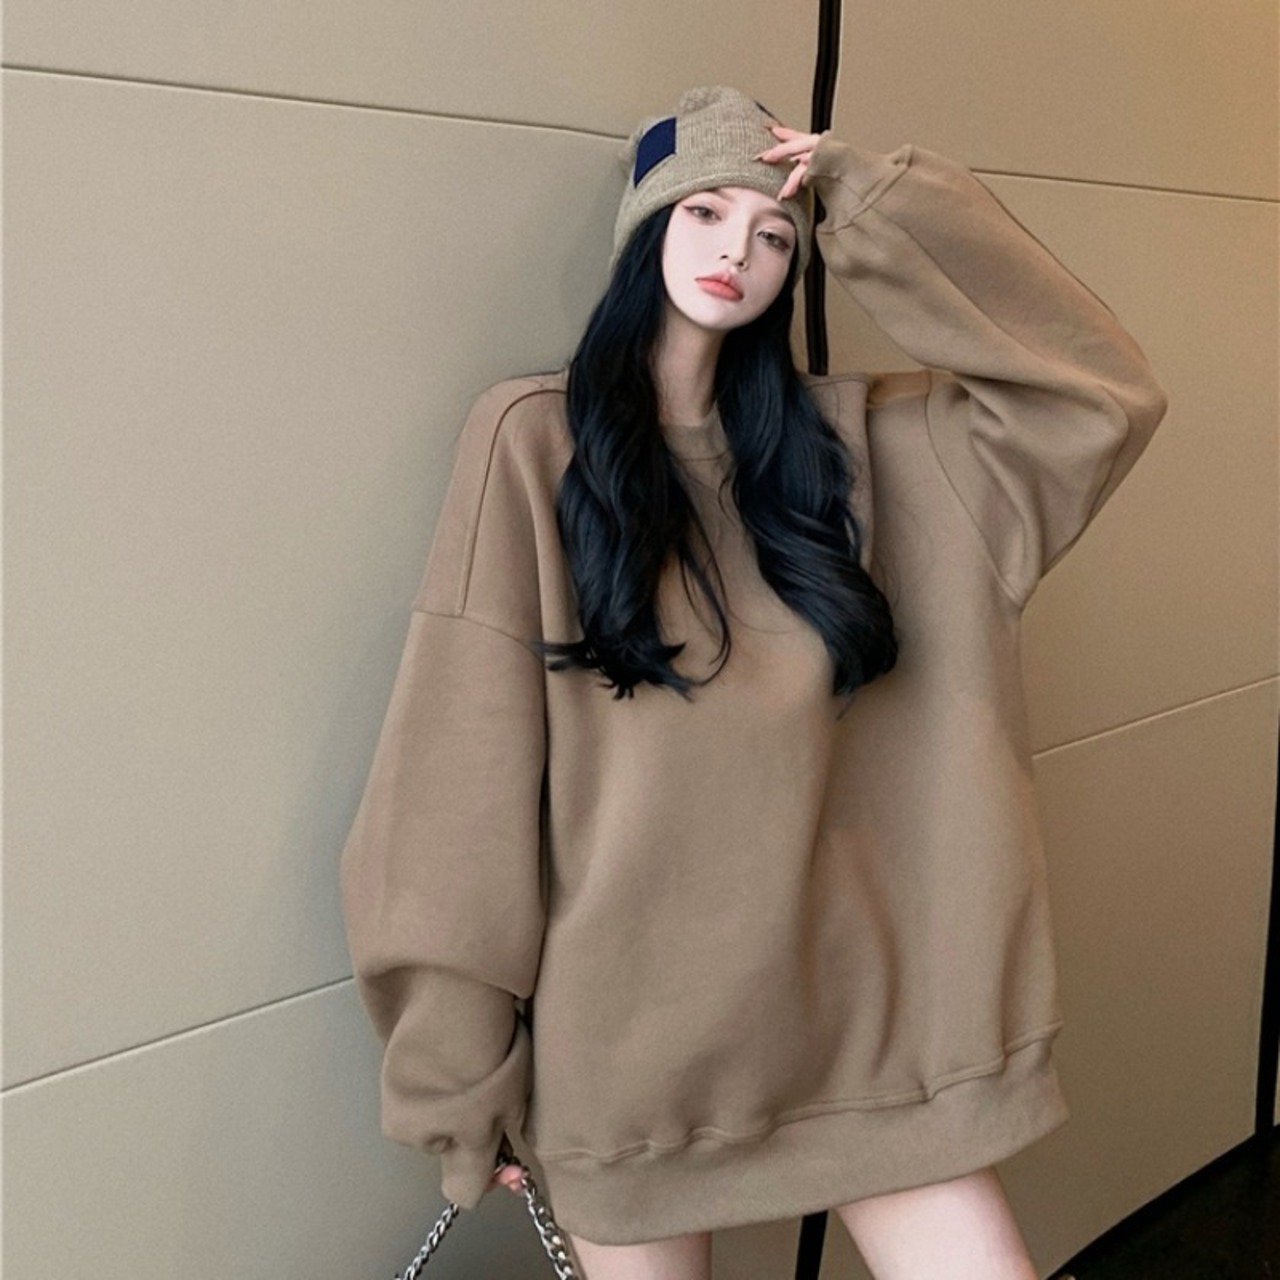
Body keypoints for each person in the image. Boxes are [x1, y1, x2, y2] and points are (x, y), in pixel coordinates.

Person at [340, 85, 1168, 1280]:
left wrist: (871, 199)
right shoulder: (532, 440)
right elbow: (453, 781)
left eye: (772, 232)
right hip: (632, 1064)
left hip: (874, 1048)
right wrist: (458, 1081)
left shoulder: (878, 452)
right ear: (645, 226)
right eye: (703, 213)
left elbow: (1095, 394)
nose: (735, 251)